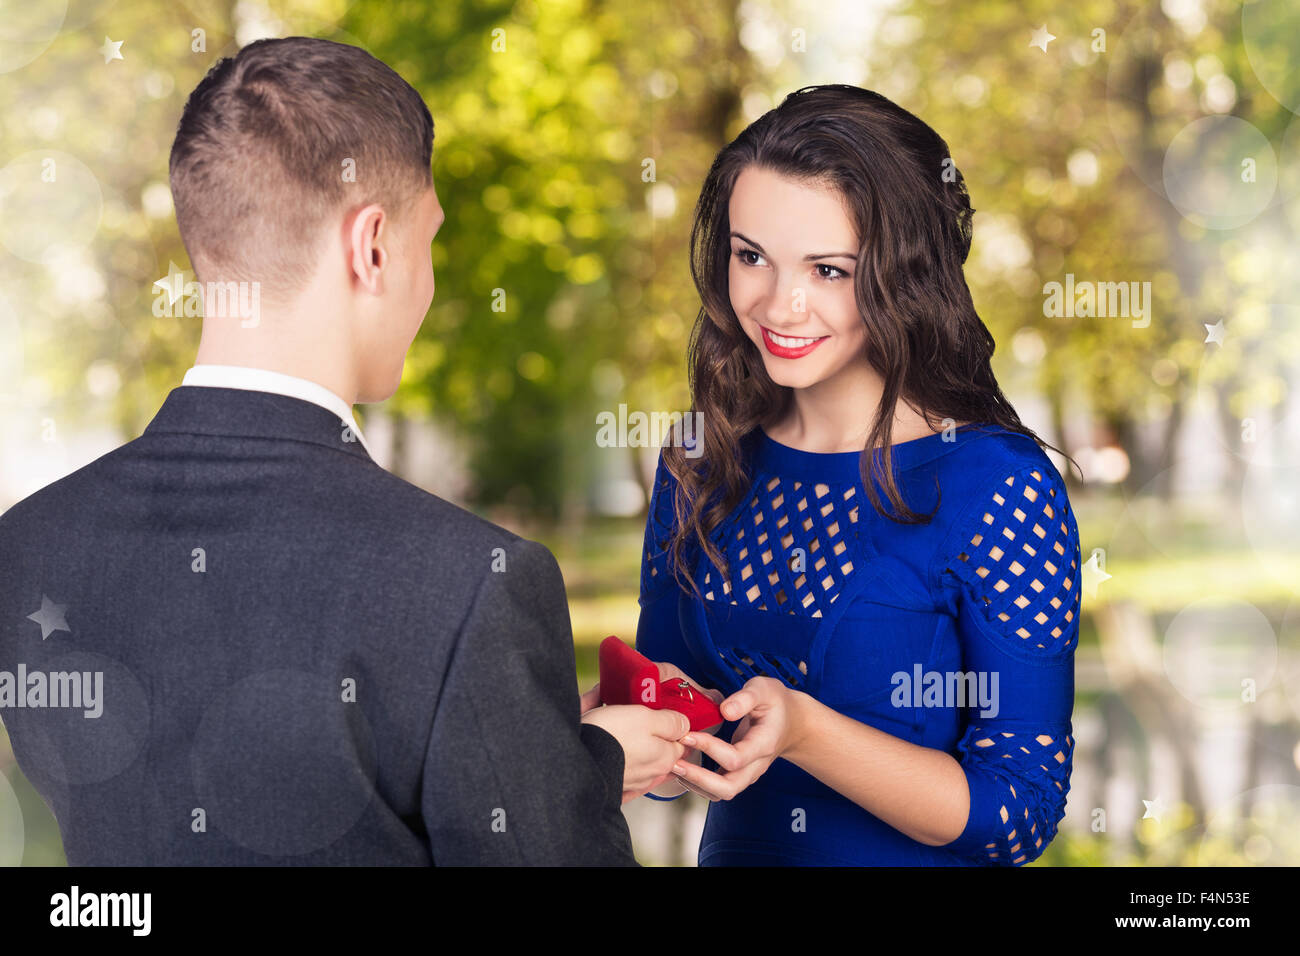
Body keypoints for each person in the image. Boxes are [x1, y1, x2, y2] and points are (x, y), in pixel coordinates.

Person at [0, 36, 687, 866]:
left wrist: (533, 759)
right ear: (372, 247)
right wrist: (585, 774)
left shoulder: (30, 546)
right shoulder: (472, 584)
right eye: (429, 240)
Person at [636, 85, 1082, 866]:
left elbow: (1021, 812)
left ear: (905, 275)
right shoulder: (702, 460)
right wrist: (626, 728)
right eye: (751, 257)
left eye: (830, 270)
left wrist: (807, 733)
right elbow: (672, 769)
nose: (780, 304)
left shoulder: (994, 483)